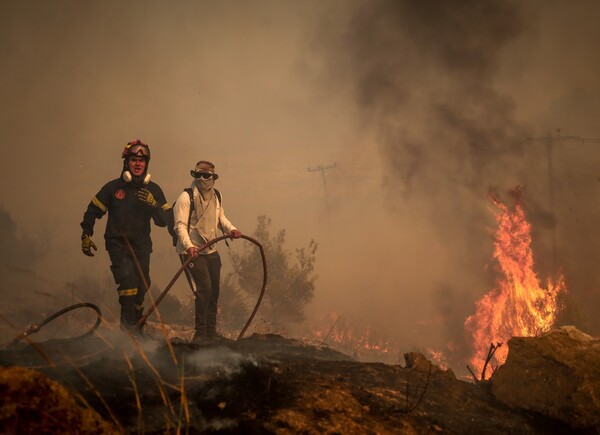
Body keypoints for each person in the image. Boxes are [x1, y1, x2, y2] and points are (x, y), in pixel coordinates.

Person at [80, 139, 171, 334]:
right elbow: (92, 211)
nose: (138, 164)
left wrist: (154, 205)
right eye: (133, 159)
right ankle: (127, 334)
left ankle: (136, 327)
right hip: (117, 245)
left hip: (142, 247)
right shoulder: (113, 188)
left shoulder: (153, 190)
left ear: (147, 164)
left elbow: (165, 221)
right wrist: (86, 234)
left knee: (142, 285)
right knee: (128, 283)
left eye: (141, 160)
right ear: (126, 163)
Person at [173, 160, 241, 342]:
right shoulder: (186, 198)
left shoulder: (216, 196)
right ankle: (200, 335)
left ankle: (211, 333)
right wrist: (189, 247)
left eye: (206, 175)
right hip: (193, 252)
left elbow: (221, 219)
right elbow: (180, 226)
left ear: (213, 177)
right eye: (198, 175)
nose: (202, 179)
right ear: (194, 176)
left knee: (215, 291)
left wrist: (232, 230)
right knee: (204, 289)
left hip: (211, 250)